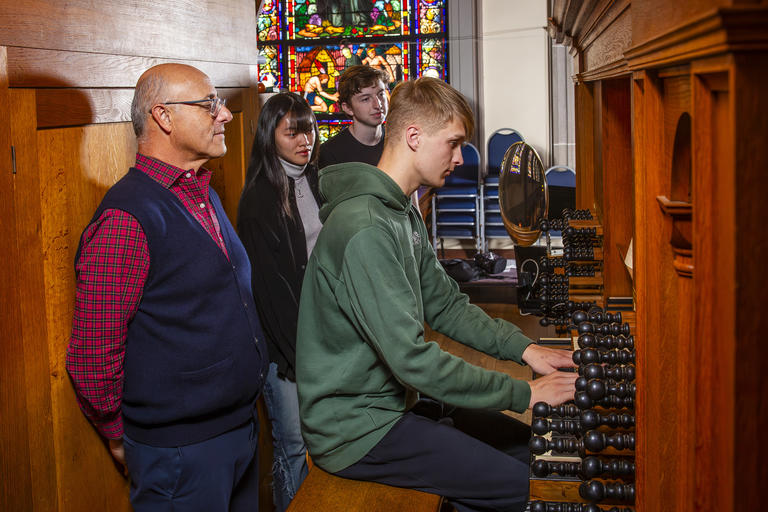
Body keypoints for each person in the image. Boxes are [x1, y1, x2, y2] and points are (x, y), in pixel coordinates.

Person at [296, 77, 578, 512]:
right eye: (453, 143)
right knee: (527, 489)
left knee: (530, 449)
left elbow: (444, 304)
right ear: (414, 137)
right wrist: (526, 394)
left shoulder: (400, 207)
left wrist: (525, 351)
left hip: (390, 406)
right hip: (355, 430)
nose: (461, 158)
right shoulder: (366, 226)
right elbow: (412, 360)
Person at [66, 63, 269, 512]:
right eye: (209, 104)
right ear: (163, 116)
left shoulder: (201, 192)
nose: (226, 115)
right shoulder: (127, 219)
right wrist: (119, 437)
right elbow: (92, 354)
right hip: (181, 451)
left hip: (237, 429)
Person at [237, 93, 321, 512]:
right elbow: (270, 295)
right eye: (293, 131)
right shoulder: (259, 200)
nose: (305, 139)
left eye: (309, 128)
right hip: (282, 350)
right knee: (292, 447)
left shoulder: (317, 179)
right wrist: (302, 356)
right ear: (270, 137)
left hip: (319, 337)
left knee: (320, 443)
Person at [318, 65, 389, 169]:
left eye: (381, 94)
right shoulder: (330, 153)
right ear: (348, 108)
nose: (377, 105)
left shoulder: (398, 140)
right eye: (365, 99)